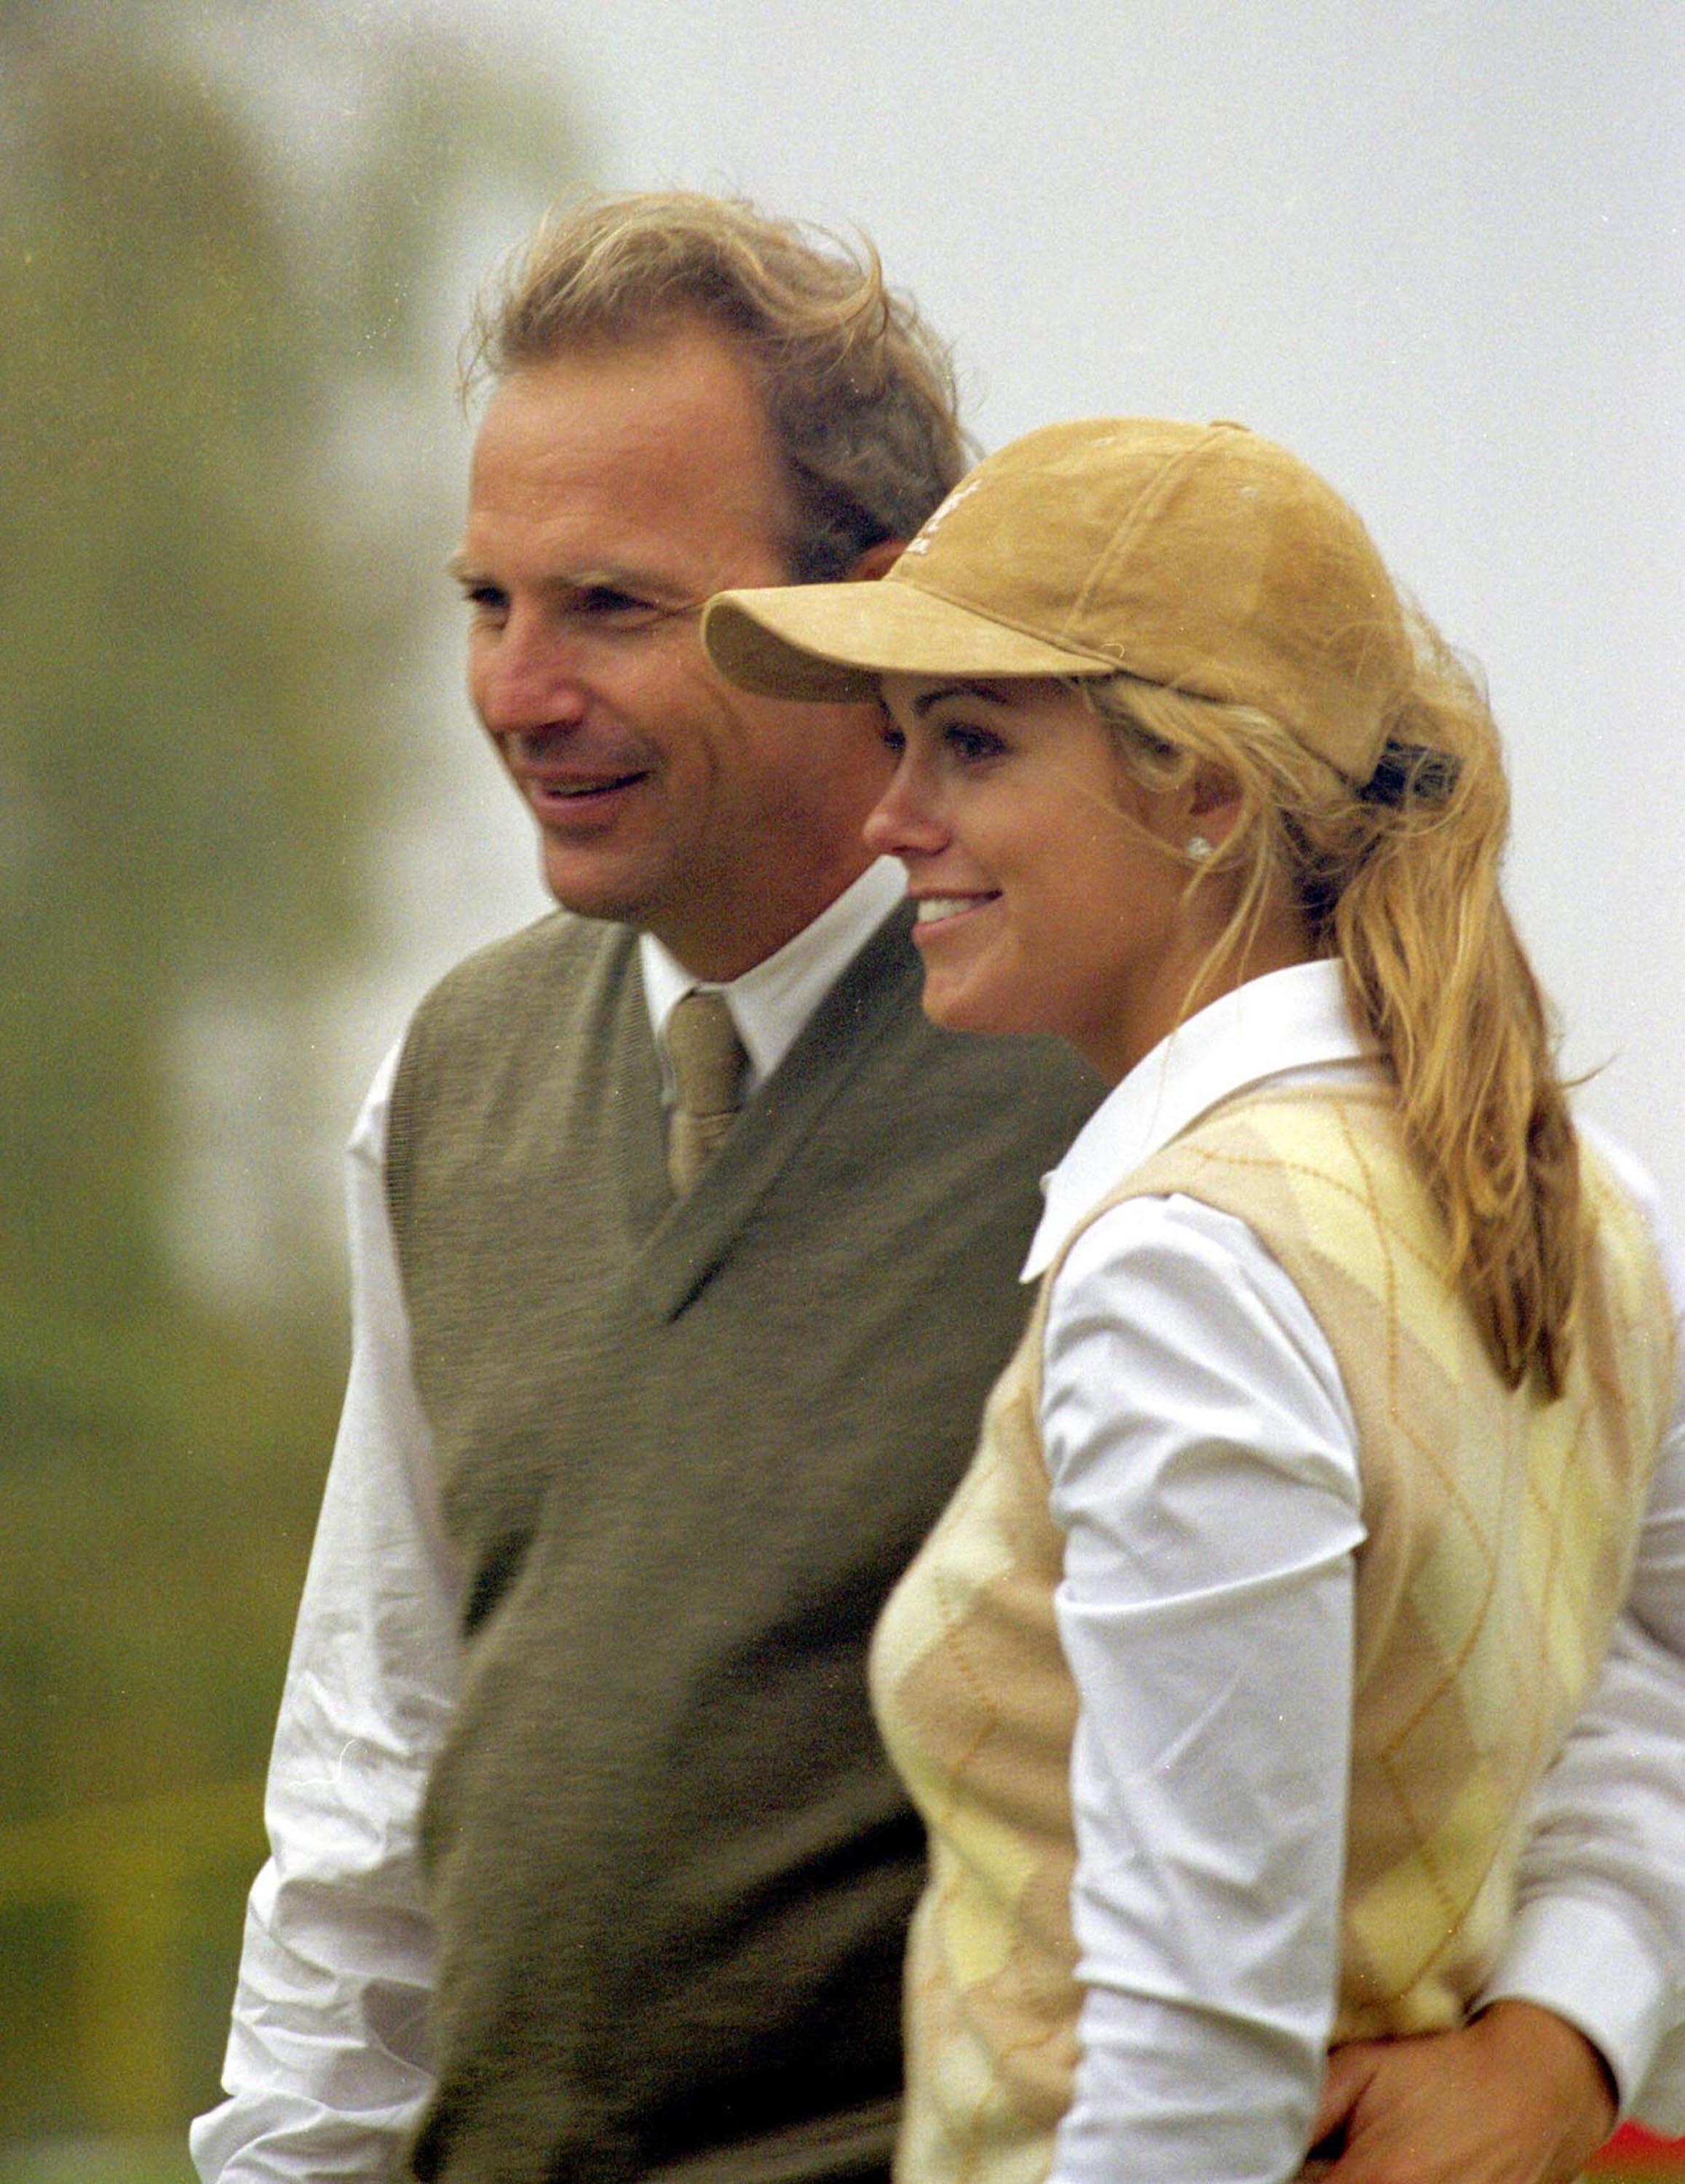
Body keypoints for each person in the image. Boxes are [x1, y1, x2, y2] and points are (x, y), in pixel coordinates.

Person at [193, 197, 1681, 2184]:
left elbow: (1586, 1633)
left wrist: (1562, 2039)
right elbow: (374, 1761)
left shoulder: (1167, 1126)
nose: (517, 691)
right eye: (486, 602)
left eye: (614, 609)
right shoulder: (448, 1083)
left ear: (880, 598)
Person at [701, 414, 1685, 2184]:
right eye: (902, 742)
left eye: (973, 745)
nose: (892, 818)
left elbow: (1195, 2064)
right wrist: (1570, 2030)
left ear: (1207, 792)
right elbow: (1662, 1696)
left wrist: (1559, 2053)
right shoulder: (1596, 1205)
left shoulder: (1188, 1267)